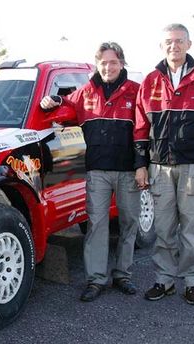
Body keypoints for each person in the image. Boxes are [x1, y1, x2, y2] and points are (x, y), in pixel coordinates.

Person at [133, 23, 194, 305]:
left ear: (189, 44)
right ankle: (164, 281)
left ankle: (191, 282)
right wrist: (141, 164)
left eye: (179, 41)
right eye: (168, 41)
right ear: (161, 46)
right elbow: (140, 127)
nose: (173, 46)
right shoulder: (151, 81)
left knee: (190, 229)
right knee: (163, 229)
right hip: (160, 167)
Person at [41, 42, 140, 302]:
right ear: (97, 64)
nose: (108, 67)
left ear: (122, 63)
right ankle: (96, 280)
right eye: (104, 62)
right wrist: (54, 100)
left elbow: (146, 130)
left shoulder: (136, 92)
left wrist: (145, 166)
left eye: (114, 62)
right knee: (96, 225)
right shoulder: (85, 93)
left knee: (129, 223)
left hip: (128, 171)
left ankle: (123, 275)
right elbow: (64, 105)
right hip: (97, 172)